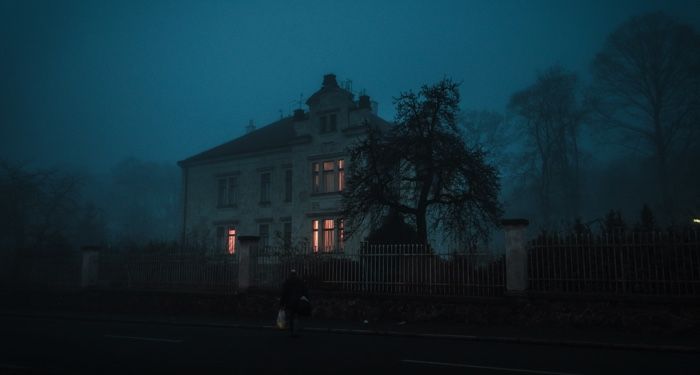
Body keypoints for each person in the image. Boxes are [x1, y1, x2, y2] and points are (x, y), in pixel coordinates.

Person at [279, 269, 308, 337]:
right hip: (298, 301)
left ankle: (292, 331)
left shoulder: (287, 281)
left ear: (290, 274)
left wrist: (282, 303)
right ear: (296, 274)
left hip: (289, 302)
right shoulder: (300, 281)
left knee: (291, 317)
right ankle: (296, 331)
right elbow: (305, 291)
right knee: (297, 316)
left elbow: (284, 293)